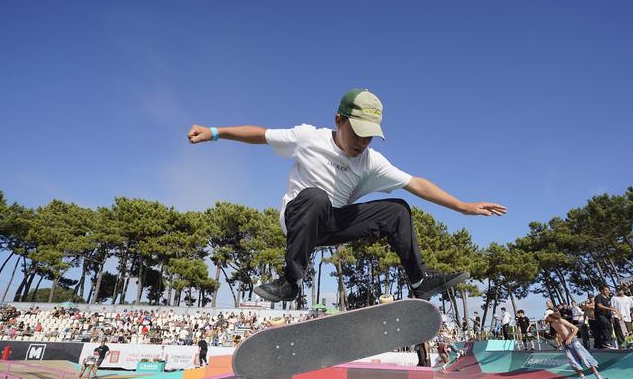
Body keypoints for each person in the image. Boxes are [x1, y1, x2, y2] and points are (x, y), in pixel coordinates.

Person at [188, 88, 506, 304]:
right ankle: (290, 282)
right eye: (358, 133)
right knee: (317, 197)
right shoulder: (307, 137)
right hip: (299, 217)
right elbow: (261, 134)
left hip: (334, 223)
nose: (363, 143)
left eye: (370, 137)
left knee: (397, 209)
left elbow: (416, 183)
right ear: (339, 121)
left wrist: (463, 207)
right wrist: (215, 132)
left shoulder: (371, 161)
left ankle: (419, 281)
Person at [545, 312, 607, 379]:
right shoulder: (552, 325)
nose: (547, 318)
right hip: (566, 344)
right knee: (573, 362)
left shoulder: (561, 320)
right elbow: (560, 333)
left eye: (547, 317)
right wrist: (561, 340)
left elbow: (575, 328)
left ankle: (599, 377)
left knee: (586, 359)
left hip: (573, 342)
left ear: (551, 316)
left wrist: (570, 338)